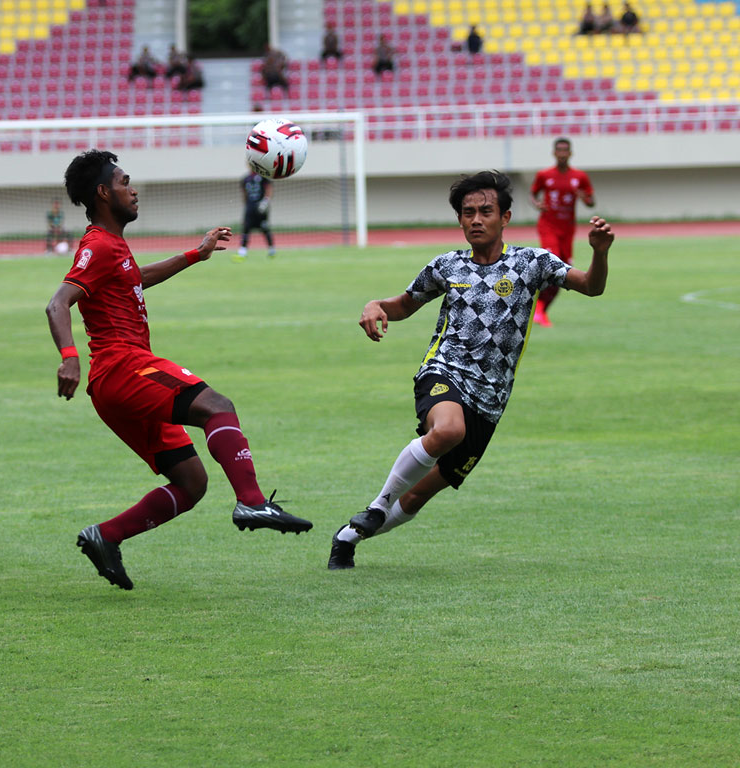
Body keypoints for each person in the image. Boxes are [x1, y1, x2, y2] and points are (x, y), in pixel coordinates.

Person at [46, 150, 312, 590]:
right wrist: (69, 357)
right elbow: (58, 302)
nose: (133, 189)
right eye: (124, 181)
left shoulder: (114, 247)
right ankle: (251, 502)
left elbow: (136, 278)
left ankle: (105, 536)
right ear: (102, 192)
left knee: (191, 483)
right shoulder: (97, 245)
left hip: (114, 386)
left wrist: (195, 254)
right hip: (123, 367)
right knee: (217, 406)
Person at [327, 171, 614, 570]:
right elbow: (404, 304)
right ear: (459, 221)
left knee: (416, 497)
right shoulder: (447, 266)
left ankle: (348, 537)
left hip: (492, 400)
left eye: (485, 211)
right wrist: (375, 305)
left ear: (505, 217)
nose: (476, 219)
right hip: (445, 371)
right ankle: (377, 505)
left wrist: (599, 253)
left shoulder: (532, 262)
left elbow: (591, 286)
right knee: (448, 430)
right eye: (468, 213)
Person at [529, 137, 595, 326]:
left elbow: (592, 202)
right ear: (554, 153)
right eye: (559, 150)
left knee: (563, 274)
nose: (563, 154)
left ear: (570, 153)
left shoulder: (579, 177)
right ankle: (535, 306)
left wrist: (585, 198)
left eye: (566, 150)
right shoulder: (544, 175)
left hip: (567, 230)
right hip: (548, 226)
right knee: (553, 262)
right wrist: (537, 204)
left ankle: (541, 310)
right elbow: (532, 194)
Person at [233, 166, 274, 261]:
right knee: (246, 228)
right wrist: (246, 206)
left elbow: (269, 189)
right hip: (250, 208)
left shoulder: (264, 177)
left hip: (261, 208)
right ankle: (242, 251)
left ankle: (271, 249)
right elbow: (244, 194)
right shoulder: (245, 179)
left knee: (265, 228)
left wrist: (266, 201)